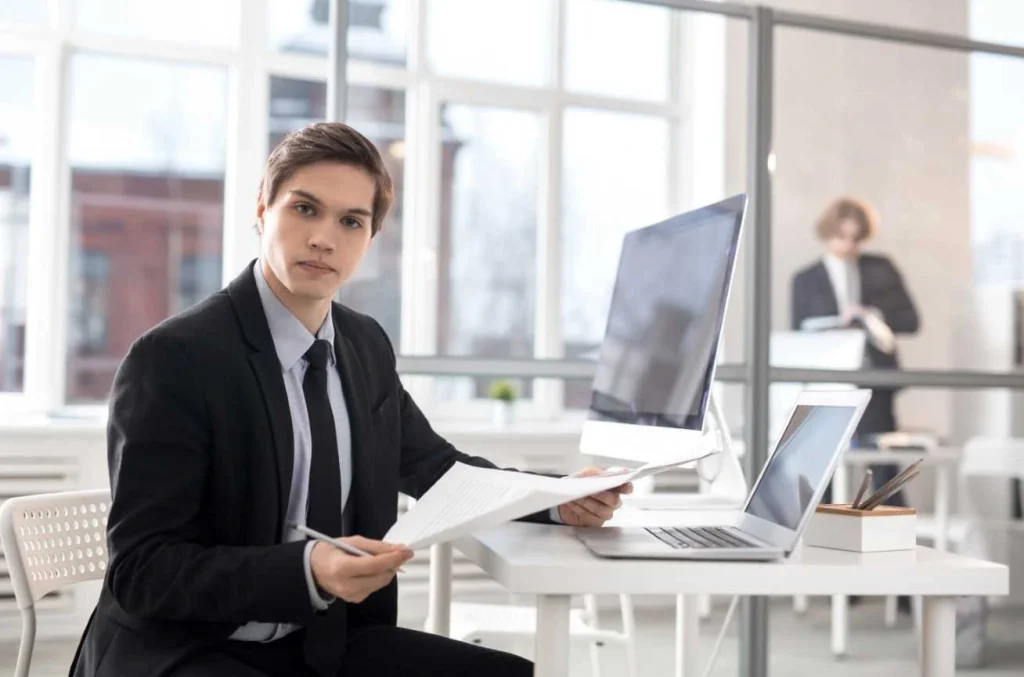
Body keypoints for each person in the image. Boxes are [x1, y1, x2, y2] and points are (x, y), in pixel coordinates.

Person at [70, 122, 632, 677]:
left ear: (369, 239)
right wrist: (307, 570)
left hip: (322, 646)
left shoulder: (364, 345)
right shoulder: (174, 358)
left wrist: (557, 499)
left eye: (351, 221)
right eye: (305, 209)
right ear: (262, 210)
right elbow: (142, 569)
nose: (324, 238)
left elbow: (439, 472)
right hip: (186, 649)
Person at [791, 197, 920, 505]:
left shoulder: (881, 269)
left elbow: (910, 320)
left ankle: (891, 533)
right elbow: (799, 331)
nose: (849, 245)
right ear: (827, 233)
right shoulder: (806, 279)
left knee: (884, 467)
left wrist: (871, 315)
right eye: (841, 237)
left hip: (876, 380)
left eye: (856, 238)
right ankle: (821, 529)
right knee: (825, 462)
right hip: (829, 381)